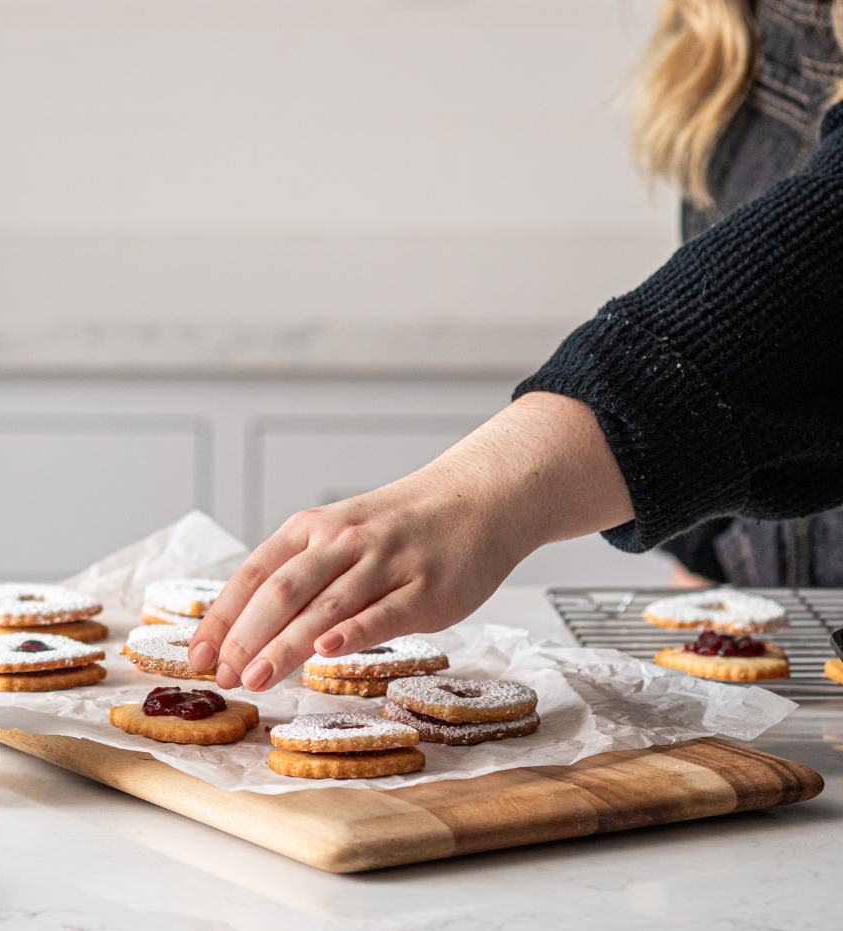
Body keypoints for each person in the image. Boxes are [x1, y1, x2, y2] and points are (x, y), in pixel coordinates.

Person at [191, 0, 843, 691]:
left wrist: (481, 491)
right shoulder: (728, 19)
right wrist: (706, 565)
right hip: (786, 657)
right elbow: (773, 356)